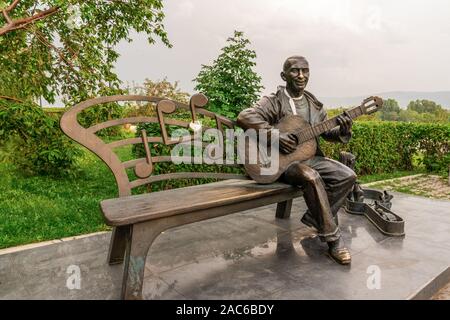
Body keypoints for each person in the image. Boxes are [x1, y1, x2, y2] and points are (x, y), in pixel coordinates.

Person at [237, 56, 356, 265]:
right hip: (282, 164)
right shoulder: (274, 101)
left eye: (305, 71)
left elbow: (326, 133)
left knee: (347, 175)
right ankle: (333, 240)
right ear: (284, 76)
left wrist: (343, 131)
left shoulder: (315, 105)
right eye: (295, 71)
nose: (301, 75)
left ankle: (314, 218)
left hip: (310, 157)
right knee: (310, 177)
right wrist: (275, 136)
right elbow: (245, 116)